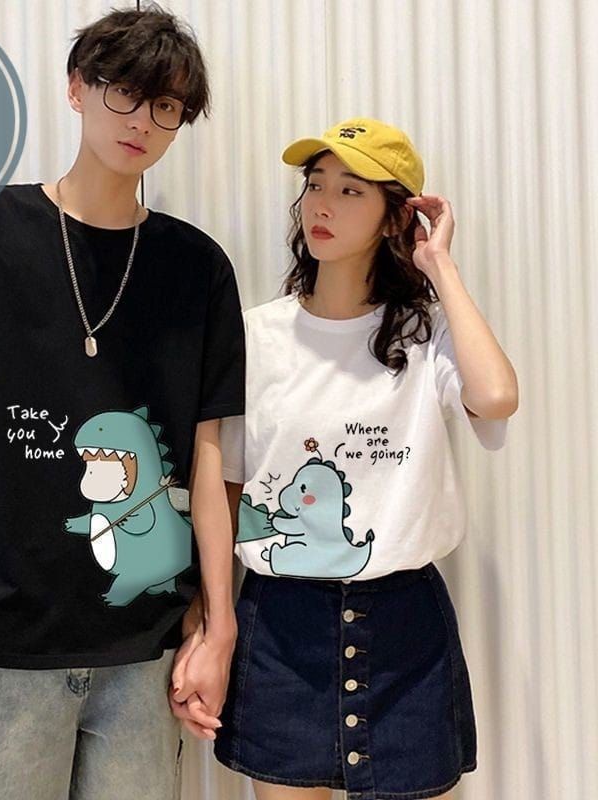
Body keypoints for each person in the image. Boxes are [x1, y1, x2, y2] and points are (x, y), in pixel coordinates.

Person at [0, 6, 242, 799]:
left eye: (166, 106)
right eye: (124, 92)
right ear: (77, 88)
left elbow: (208, 459)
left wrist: (219, 625)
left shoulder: (196, 268)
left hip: (144, 653)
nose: (141, 121)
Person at [209, 118, 518, 800]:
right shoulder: (255, 337)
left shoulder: (425, 333)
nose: (322, 204)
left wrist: (439, 266)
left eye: (351, 191)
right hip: (281, 626)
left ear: (394, 217)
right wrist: (211, 621)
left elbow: (496, 397)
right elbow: (226, 491)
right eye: (316, 184)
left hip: (404, 628)